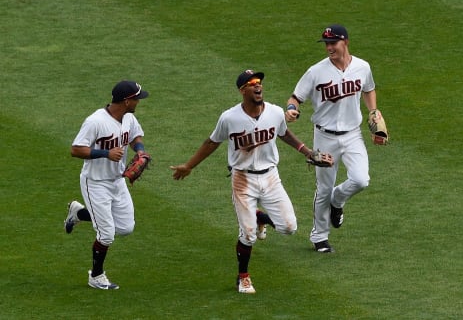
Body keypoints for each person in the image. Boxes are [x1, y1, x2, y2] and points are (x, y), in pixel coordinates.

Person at [170, 70, 332, 294]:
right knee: (247, 235)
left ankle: (259, 217)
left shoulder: (275, 112)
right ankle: (243, 277)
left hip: (270, 177)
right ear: (242, 90)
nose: (258, 86)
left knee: (289, 228)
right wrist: (188, 166)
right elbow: (211, 142)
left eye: (259, 82)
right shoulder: (229, 118)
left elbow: (283, 133)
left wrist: (307, 151)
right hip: (242, 179)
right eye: (251, 83)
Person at [285, 24, 379, 253]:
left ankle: (338, 200)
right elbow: (296, 97)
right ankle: (319, 237)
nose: (329, 47)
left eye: (333, 43)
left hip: (353, 135)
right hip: (324, 136)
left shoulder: (362, 67)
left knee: (360, 180)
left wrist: (373, 111)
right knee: (323, 188)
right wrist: (290, 109)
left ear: (345, 42)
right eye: (326, 43)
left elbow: (369, 88)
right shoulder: (316, 72)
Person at [64, 80, 150, 289]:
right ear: (127, 100)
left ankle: (79, 214)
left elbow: (135, 136)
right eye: (137, 98)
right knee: (106, 233)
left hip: (117, 180)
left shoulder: (128, 117)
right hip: (95, 183)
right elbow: (76, 149)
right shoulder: (95, 121)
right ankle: (96, 276)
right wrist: (106, 153)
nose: (139, 101)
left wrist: (139, 150)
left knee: (126, 227)